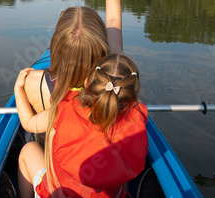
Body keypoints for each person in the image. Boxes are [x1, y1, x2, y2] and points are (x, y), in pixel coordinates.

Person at [14, 54, 148, 197]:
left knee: (29, 149)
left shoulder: (65, 109)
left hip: (58, 195)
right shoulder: (137, 118)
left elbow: (29, 122)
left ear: (86, 82)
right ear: (132, 95)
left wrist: (18, 89)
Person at [22, 0, 123, 114]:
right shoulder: (114, 79)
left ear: (56, 46)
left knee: (31, 141)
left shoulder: (34, 81)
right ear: (103, 45)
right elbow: (113, 19)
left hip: (55, 136)